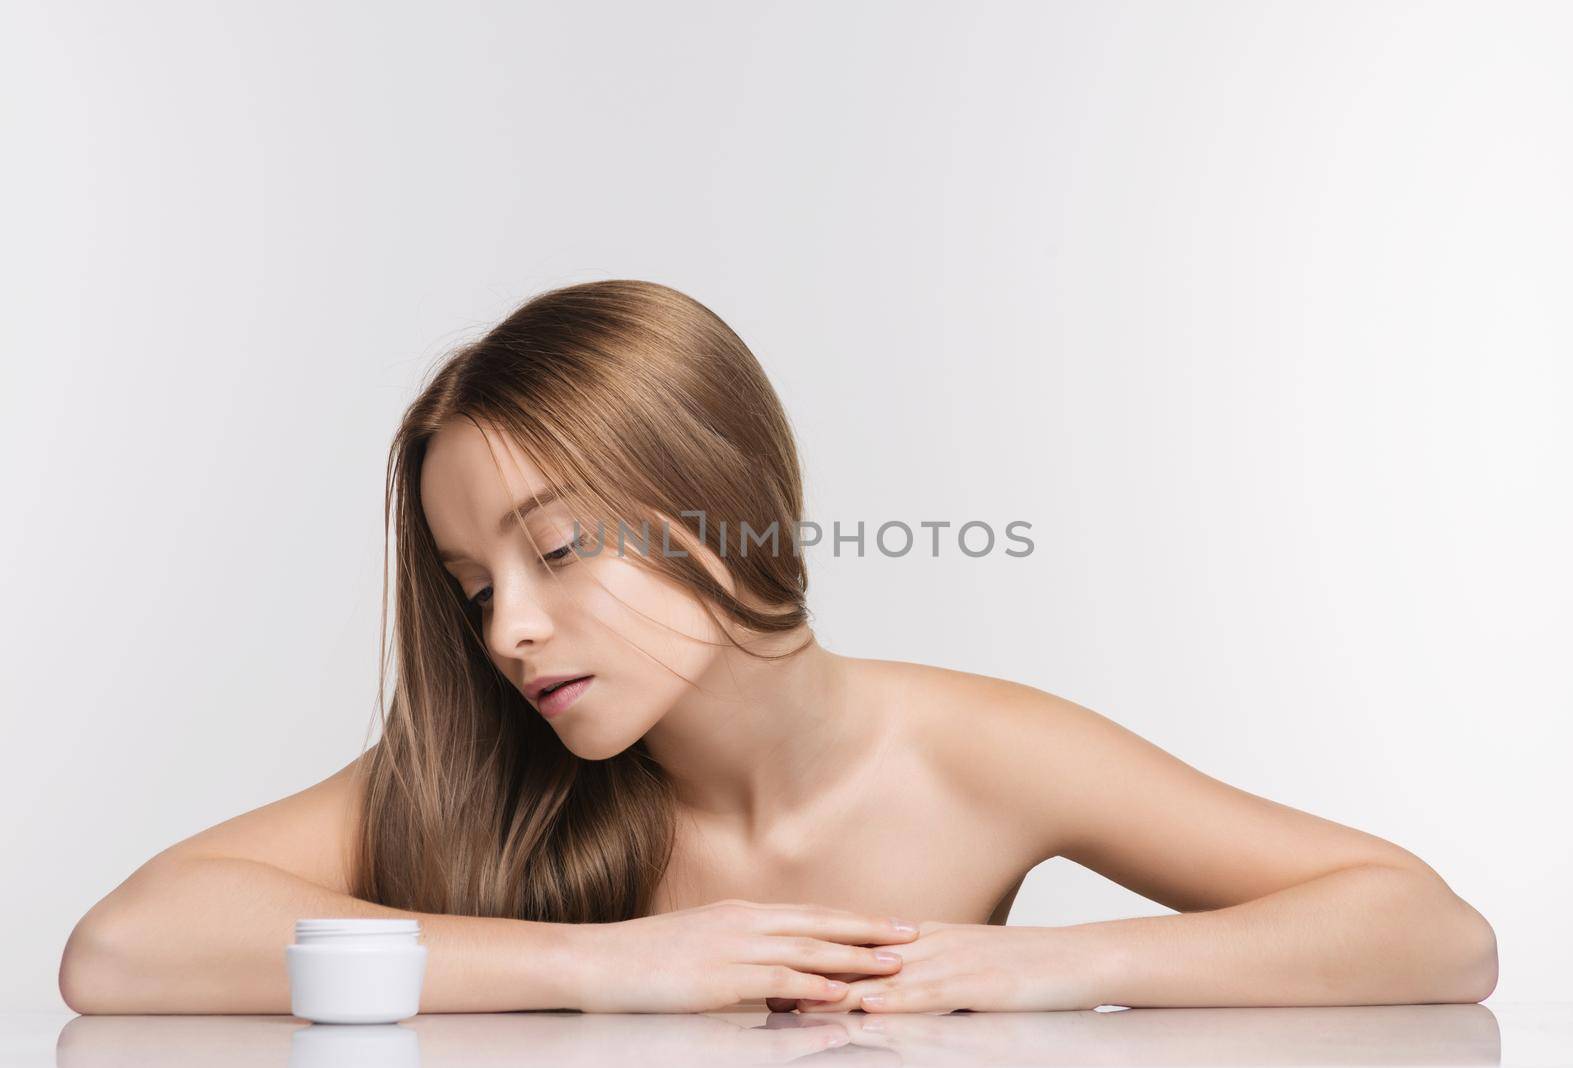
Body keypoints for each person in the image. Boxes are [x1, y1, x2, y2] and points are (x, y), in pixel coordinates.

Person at [59, 279, 1498, 1016]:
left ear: (724, 507)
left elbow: (1433, 933)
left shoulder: (974, 751)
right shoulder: (482, 774)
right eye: (468, 583)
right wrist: (608, 967)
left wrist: (1043, 970)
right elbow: (125, 951)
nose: (509, 629)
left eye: (557, 550)